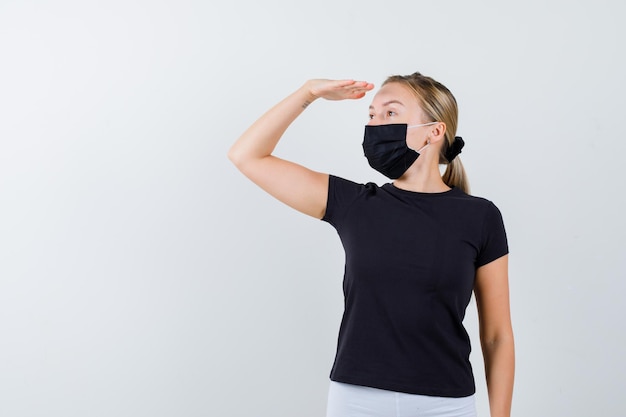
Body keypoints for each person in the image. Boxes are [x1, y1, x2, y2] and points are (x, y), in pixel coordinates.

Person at [227, 72, 514, 417]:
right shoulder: (355, 204)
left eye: (390, 113)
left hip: (446, 404)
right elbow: (247, 155)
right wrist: (308, 93)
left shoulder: (480, 217)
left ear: (434, 131)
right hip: (356, 400)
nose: (376, 125)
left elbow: (497, 336)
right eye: (372, 115)